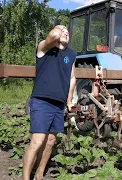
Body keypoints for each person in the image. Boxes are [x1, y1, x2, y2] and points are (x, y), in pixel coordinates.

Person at [22, 25, 77, 180]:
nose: (65, 32)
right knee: (37, 141)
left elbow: (72, 78)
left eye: (67, 31)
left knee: (50, 141)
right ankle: (25, 178)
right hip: (41, 101)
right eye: (62, 30)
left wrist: (69, 99)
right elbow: (52, 36)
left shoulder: (71, 55)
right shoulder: (43, 48)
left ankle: (39, 173)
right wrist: (59, 29)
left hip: (58, 105)